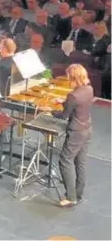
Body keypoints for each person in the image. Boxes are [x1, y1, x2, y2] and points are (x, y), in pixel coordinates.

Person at [55, 64, 94, 208]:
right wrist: (65, 103)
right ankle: (78, 193)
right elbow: (78, 105)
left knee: (65, 161)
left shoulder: (73, 95)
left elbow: (65, 116)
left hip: (76, 132)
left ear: (73, 78)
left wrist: (51, 111)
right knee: (80, 161)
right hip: (87, 128)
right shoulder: (89, 89)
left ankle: (71, 197)